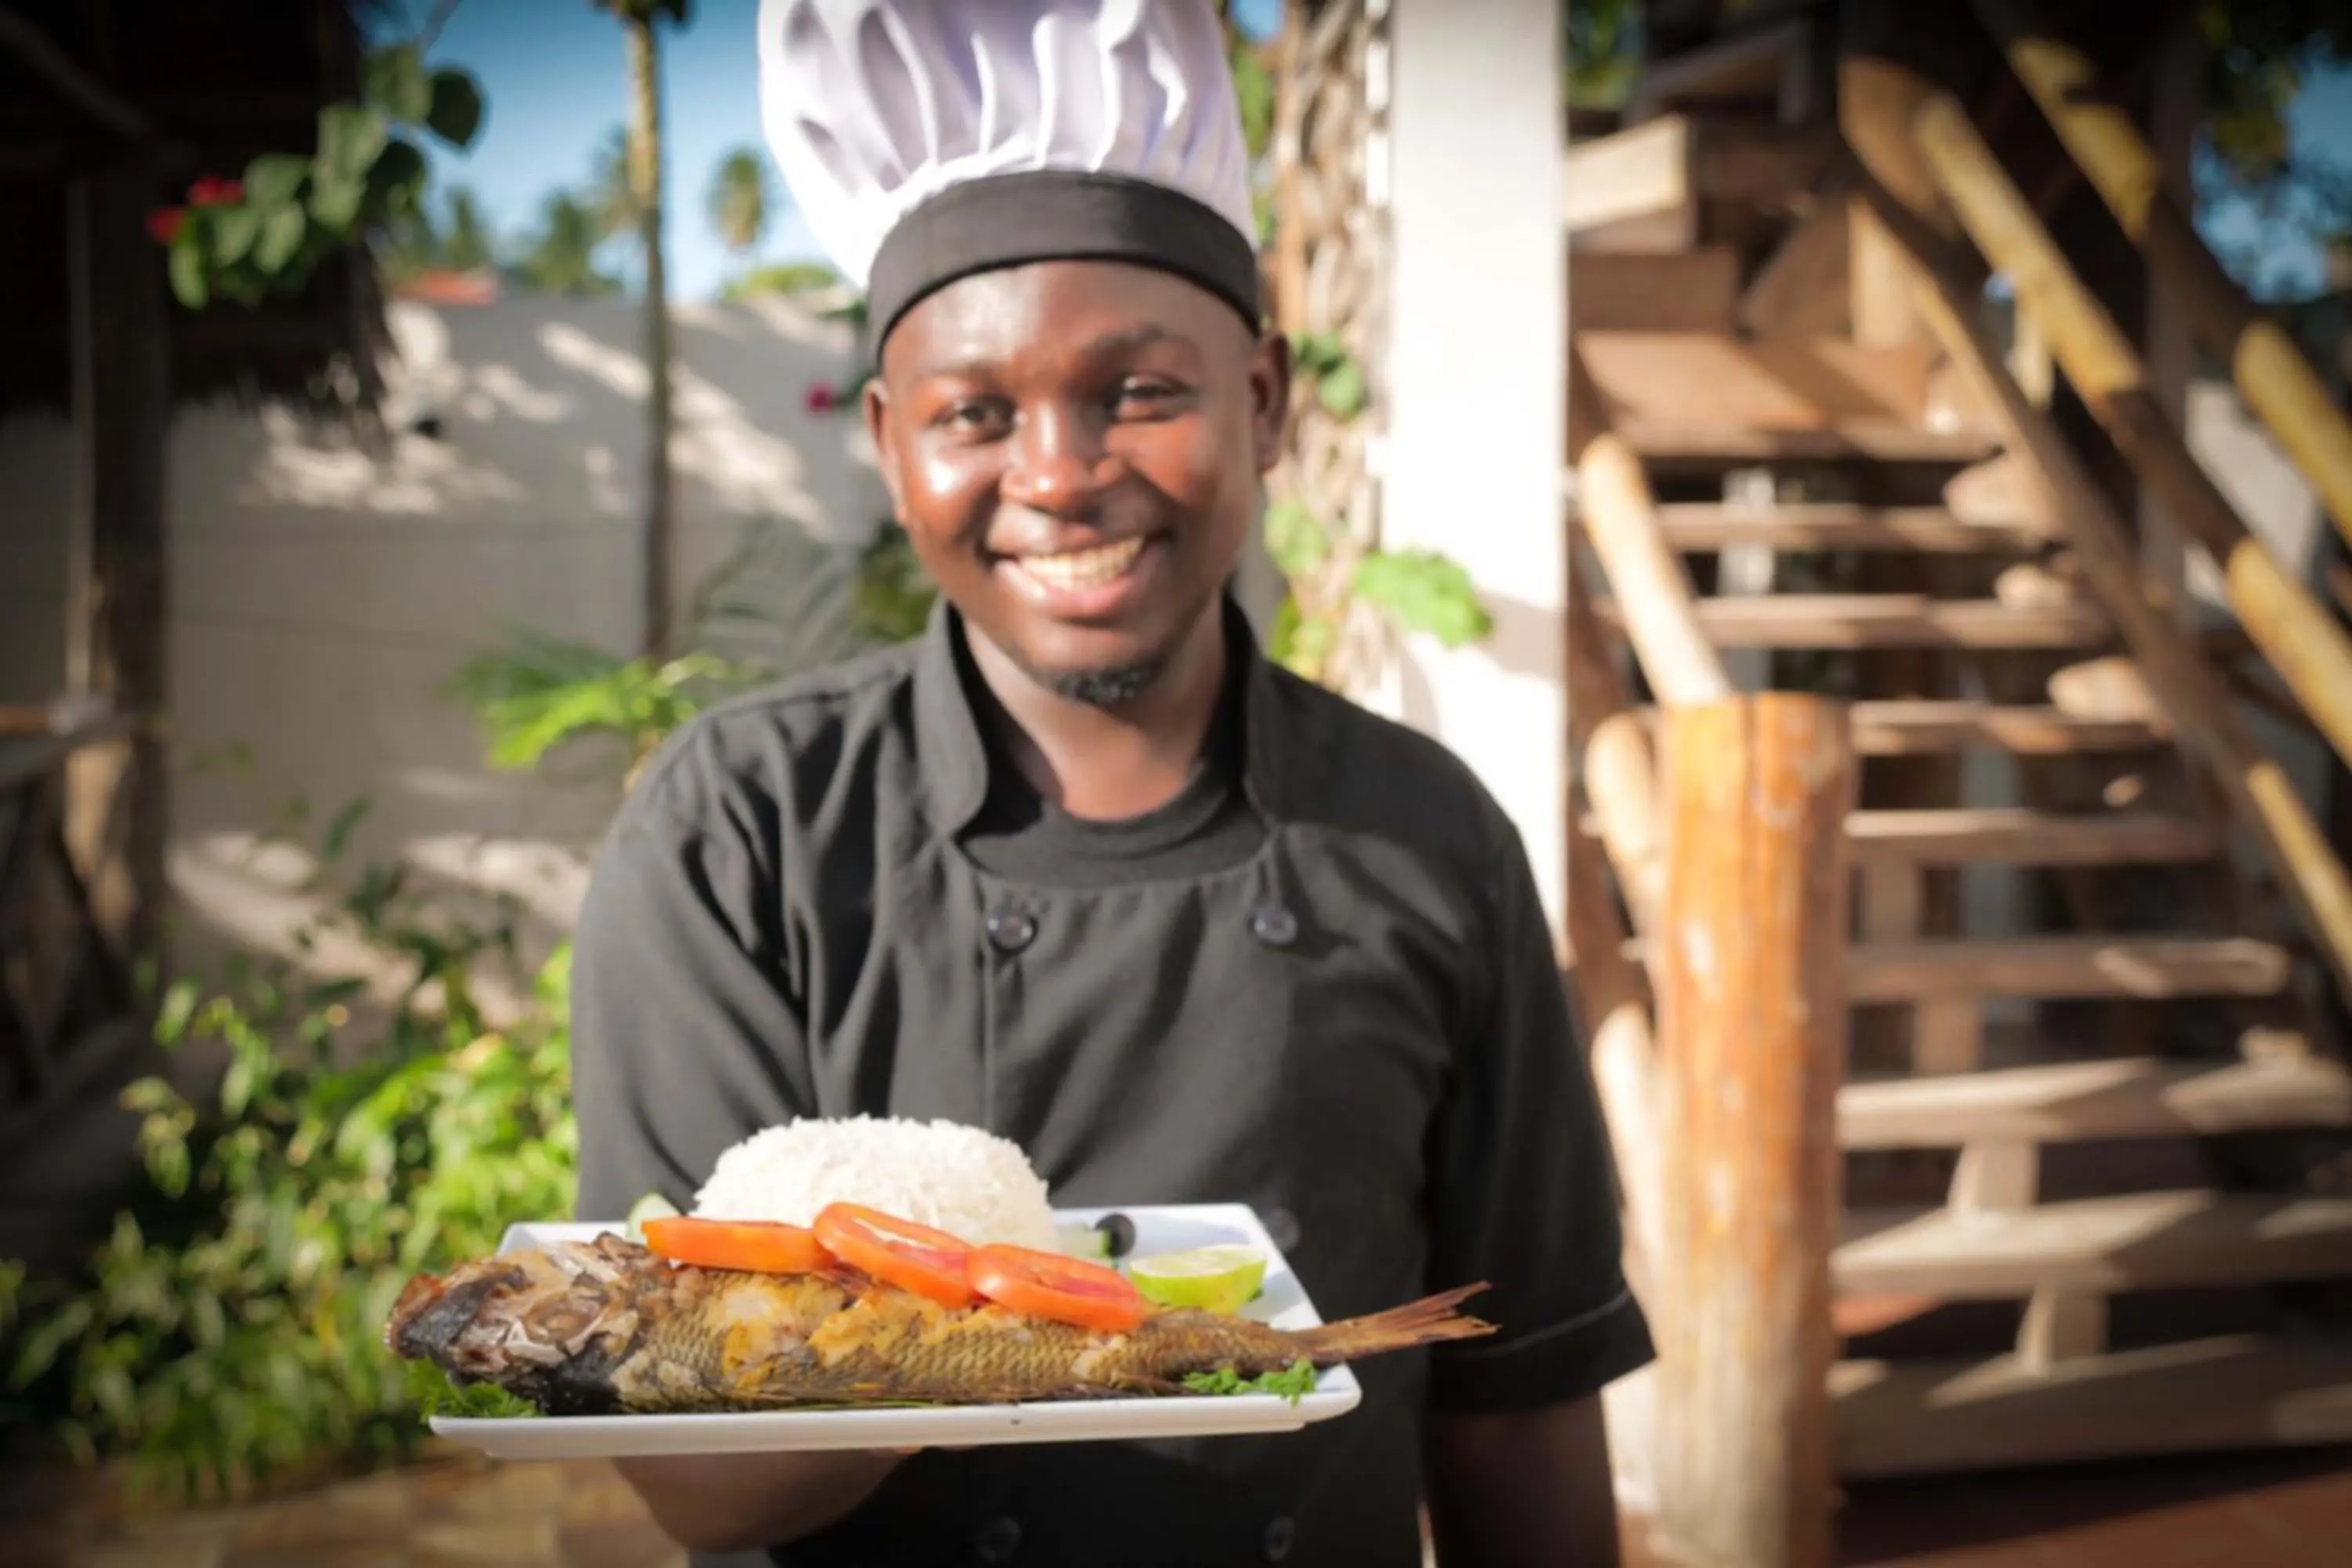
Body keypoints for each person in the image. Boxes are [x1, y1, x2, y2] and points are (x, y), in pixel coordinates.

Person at [568, 2, 1653, 1563]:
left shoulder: (1428, 841)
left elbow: (1522, 1397)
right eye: (974, 412)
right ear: (890, 449)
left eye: (1141, 390)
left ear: (1266, 404)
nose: (1062, 471)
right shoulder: (740, 832)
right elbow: (702, 1470)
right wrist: (1000, 1295)